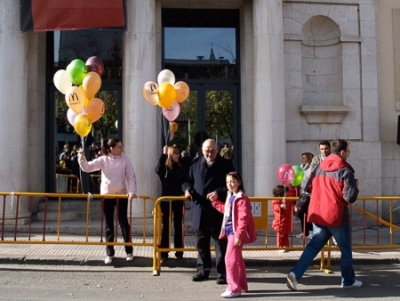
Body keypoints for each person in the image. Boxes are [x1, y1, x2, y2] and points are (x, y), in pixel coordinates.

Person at [287, 139, 362, 291]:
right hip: (336, 215)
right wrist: (356, 188)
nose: (349, 153)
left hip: (318, 213)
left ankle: (295, 273)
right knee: (345, 249)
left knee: (313, 246)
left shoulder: (318, 166)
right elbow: (349, 197)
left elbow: (307, 185)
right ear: (342, 152)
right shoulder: (345, 169)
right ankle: (347, 280)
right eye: (348, 151)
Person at [182, 138, 235, 284]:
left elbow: (233, 185)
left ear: (217, 150)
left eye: (212, 151)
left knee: (220, 245)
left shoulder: (226, 165)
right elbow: (187, 180)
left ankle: (222, 273)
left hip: (218, 211)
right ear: (202, 151)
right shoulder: (195, 164)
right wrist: (187, 189)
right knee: (201, 244)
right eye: (207, 151)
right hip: (200, 210)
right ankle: (202, 271)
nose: (209, 154)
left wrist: (218, 192)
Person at [77, 138, 137, 265]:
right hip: (107, 195)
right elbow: (88, 168)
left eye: (122, 146)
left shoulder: (125, 159)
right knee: (109, 225)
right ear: (111, 148)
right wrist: (81, 157)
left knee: (124, 223)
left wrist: (132, 191)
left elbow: (131, 176)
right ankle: (110, 253)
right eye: (119, 147)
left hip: (121, 195)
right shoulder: (103, 159)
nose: (121, 149)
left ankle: (129, 251)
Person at [210, 171, 256, 298]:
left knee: (230, 259)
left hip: (235, 233)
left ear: (239, 182)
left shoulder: (242, 198)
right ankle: (242, 285)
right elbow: (226, 211)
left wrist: (239, 236)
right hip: (231, 232)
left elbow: (243, 218)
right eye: (227, 182)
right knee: (237, 260)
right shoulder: (232, 196)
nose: (230, 184)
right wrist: (215, 202)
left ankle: (234, 288)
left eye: (232, 181)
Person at [155, 145, 185, 263]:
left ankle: (179, 252)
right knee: (166, 227)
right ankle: (164, 253)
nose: (178, 155)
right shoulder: (165, 168)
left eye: (178, 153)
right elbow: (158, 169)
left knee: (178, 226)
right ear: (170, 155)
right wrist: (163, 154)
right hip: (166, 199)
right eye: (175, 153)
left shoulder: (180, 167)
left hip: (178, 199)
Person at [295, 152, 314, 239]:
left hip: (309, 194)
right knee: (301, 213)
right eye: (302, 158)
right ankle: (304, 232)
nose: (302, 160)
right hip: (302, 193)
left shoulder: (311, 169)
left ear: (308, 159)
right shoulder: (301, 168)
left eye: (304, 158)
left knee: (308, 213)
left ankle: (311, 231)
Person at [271, 185, 295, 251]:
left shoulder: (288, 199)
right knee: (280, 235)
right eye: (286, 192)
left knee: (285, 235)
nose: (287, 193)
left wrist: (295, 208)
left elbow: (292, 206)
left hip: (287, 220)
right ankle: (280, 246)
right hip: (280, 221)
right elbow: (275, 207)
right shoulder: (276, 200)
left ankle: (286, 246)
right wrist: (280, 206)